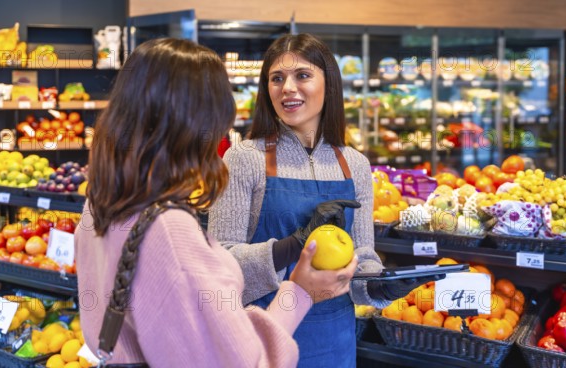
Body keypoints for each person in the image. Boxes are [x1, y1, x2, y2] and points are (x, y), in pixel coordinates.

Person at [74, 38, 358, 367]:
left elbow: (198, 338)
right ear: (196, 122)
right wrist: (300, 292)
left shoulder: (100, 204)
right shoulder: (170, 230)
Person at [208, 34, 431, 367]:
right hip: (264, 335)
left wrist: (383, 287)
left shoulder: (354, 164)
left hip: (335, 338)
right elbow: (220, 265)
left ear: (329, 83)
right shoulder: (245, 158)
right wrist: (294, 244)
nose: (287, 88)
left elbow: (362, 257)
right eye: (277, 78)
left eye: (302, 75)